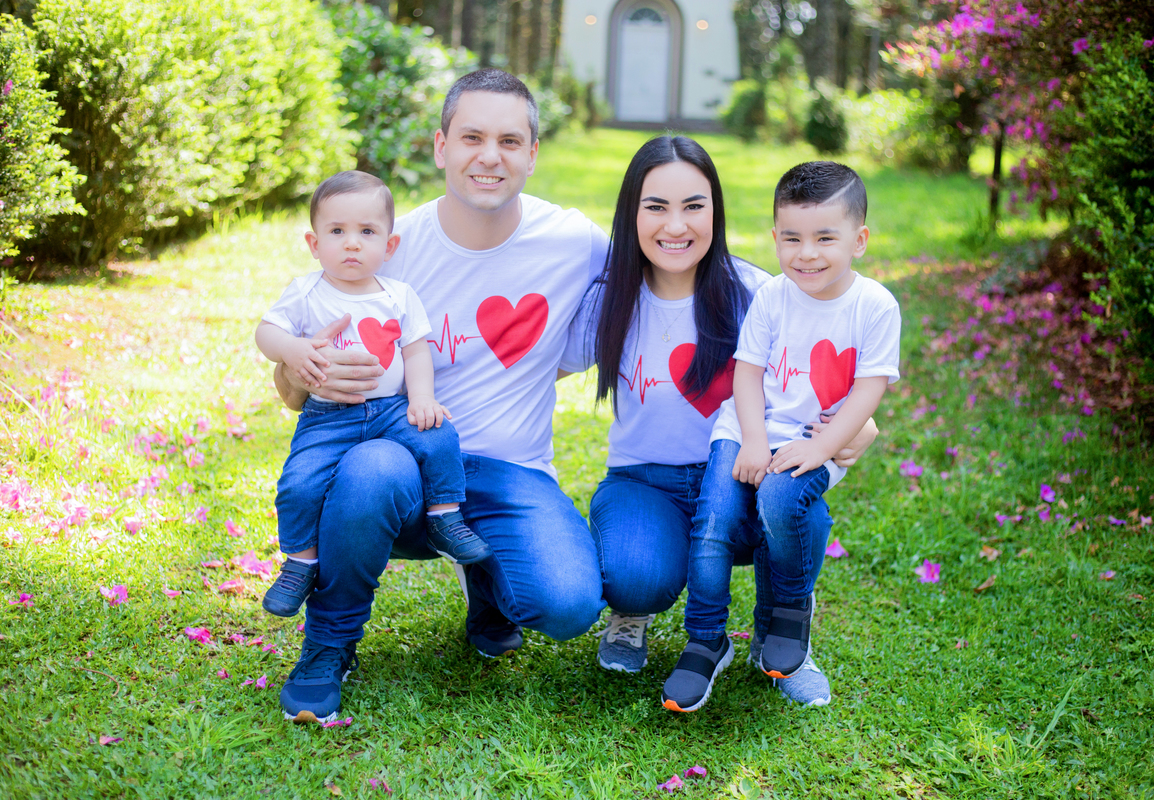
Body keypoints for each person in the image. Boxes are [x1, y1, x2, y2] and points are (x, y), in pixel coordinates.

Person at [269, 70, 610, 724]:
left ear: (534, 154)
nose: (490, 155)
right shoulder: (386, 246)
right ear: (440, 146)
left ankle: (488, 586)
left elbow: (682, 268)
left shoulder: (575, 241)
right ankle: (329, 643)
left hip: (510, 472)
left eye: (510, 140)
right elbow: (290, 388)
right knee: (370, 469)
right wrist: (308, 373)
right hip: (397, 464)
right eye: (472, 136)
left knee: (567, 605)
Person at [560, 138, 878, 709]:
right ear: (630, 211)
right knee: (636, 573)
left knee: (798, 508)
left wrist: (860, 428)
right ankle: (633, 611)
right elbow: (525, 370)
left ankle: (780, 637)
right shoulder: (608, 300)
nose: (675, 225)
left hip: (740, 474)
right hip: (644, 482)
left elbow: (833, 374)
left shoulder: (759, 293)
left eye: (694, 205)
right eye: (655, 206)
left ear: (717, 210)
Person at [660, 161, 901, 713]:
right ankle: (705, 640)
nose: (806, 253)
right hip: (745, 429)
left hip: (820, 436)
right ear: (774, 237)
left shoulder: (875, 305)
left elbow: (869, 390)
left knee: (780, 498)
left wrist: (820, 448)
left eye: (824, 238)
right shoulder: (772, 296)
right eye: (791, 238)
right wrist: (750, 440)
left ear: (859, 240)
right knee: (714, 518)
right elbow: (747, 372)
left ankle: (788, 624)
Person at [255, 171, 490, 620]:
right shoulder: (305, 292)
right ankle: (300, 563)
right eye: (337, 231)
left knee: (439, 434)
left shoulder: (398, 296)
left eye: (367, 232)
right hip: (327, 416)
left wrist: (421, 397)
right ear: (313, 243)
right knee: (298, 481)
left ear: (390, 245)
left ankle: (444, 517)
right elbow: (266, 332)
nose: (351, 243)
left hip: (390, 410)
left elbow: (416, 350)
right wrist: (294, 350)